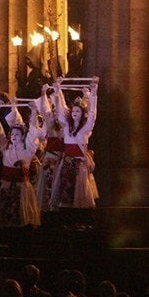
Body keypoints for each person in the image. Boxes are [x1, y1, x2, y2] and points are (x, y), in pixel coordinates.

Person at [0, 98, 44, 228]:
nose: (13, 136)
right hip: (6, 188)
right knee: (6, 219)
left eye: (17, 134)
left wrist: (34, 110)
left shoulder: (28, 150)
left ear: (23, 136)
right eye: (12, 134)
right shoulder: (6, 148)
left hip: (21, 189)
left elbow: (33, 130)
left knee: (22, 217)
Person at [50, 78, 100, 209]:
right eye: (73, 111)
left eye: (78, 111)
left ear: (83, 113)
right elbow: (61, 111)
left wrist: (93, 93)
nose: (74, 113)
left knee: (80, 193)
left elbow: (93, 115)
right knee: (66, 193)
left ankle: (80, 219)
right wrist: (58, 89)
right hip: (67, 163)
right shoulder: (67, 127)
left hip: (79, 164)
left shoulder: (84, 129)